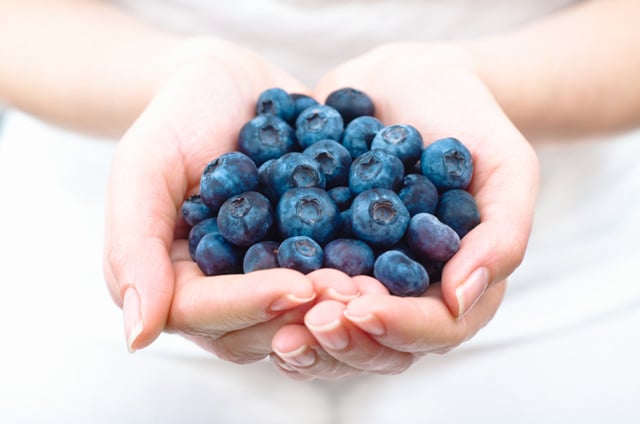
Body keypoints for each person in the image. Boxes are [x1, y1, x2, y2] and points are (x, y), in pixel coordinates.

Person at [0, 0, 638, 422]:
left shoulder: (410, 201)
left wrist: (481, 74)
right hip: (89, 240)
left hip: (563, 264)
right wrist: (175, 74)